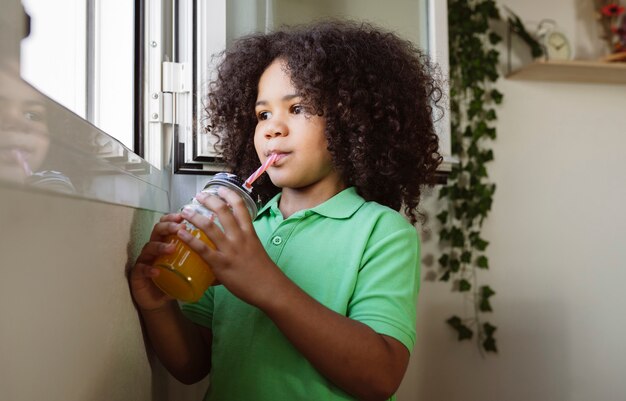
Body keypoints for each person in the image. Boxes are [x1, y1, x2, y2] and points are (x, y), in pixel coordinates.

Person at [130, 20, 442, 401]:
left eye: (298, 107)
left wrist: (264, 282)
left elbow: (380, 377)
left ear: (351, 120)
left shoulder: (381, 232)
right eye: (262, 115)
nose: (272, 128)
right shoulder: (236, 230)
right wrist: (157, 306)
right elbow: (192, 365)